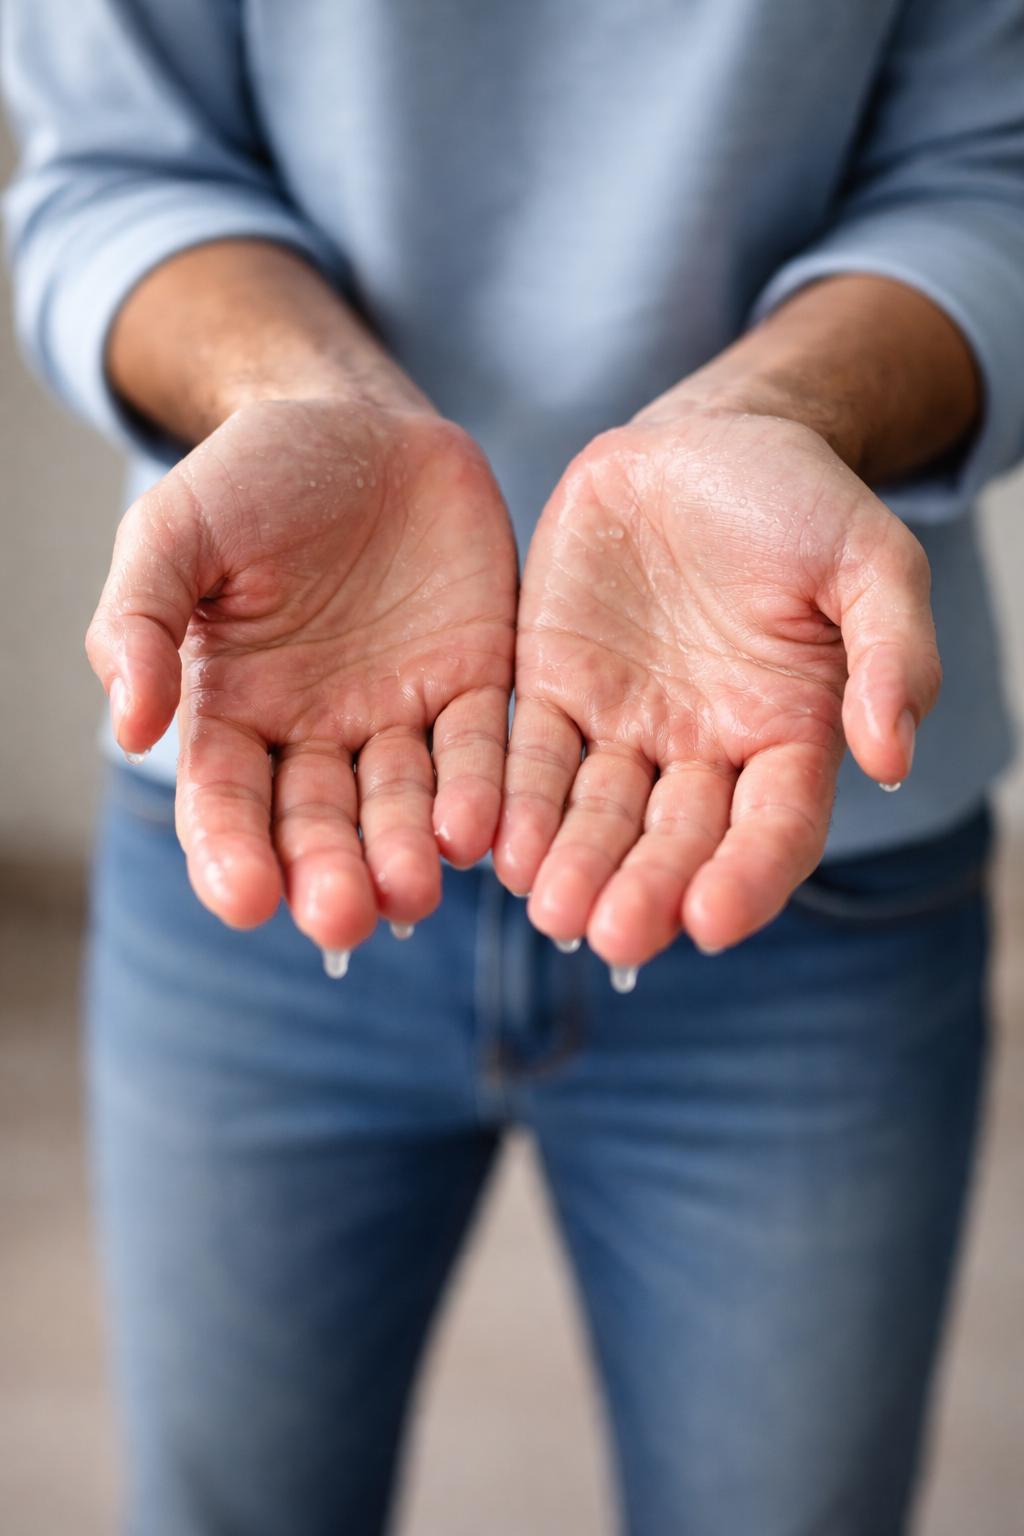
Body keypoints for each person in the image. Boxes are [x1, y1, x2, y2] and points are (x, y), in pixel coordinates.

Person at [3, 2, 1024, 1532]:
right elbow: (112, 166)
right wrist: (300, 396)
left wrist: (774, 413)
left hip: (786, 826)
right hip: (283, 775)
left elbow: (991, 172)